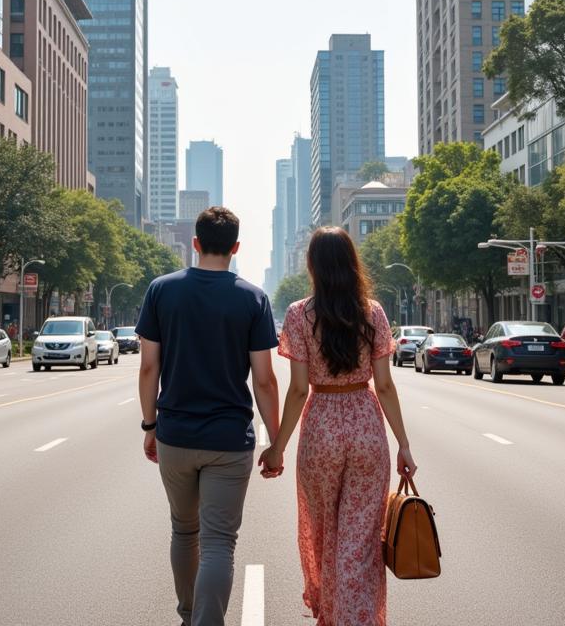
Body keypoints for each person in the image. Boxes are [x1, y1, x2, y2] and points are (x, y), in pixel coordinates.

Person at [259, 226, 416, 626]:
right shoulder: (373, 312)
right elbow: (384, 384)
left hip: (321, 428)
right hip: (366, 426)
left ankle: (333, 616)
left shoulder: (298, 314)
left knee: (325, 535)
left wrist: (277, 447)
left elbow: (297, 391)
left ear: (312, 265)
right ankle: (356, 618)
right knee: (360, 542)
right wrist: (404, 444)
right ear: (352, 262)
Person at [136, 207, 280, 626]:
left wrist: (149, 426)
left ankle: (187, 616)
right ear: (236, 248)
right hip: (229, 440)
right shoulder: (253, 298)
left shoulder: (161, 290)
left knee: (184, 531)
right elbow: (265, 380)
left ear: (196, 244)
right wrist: (275, 440)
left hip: (175, 434)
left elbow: (149, 368)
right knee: (219, 542)